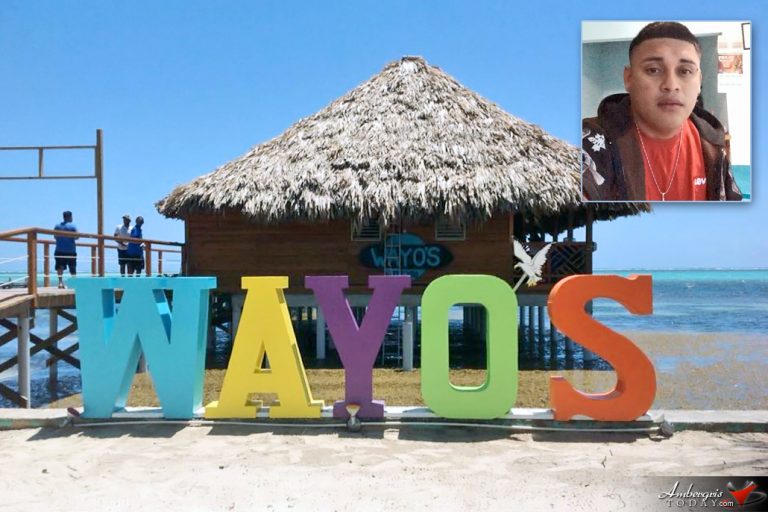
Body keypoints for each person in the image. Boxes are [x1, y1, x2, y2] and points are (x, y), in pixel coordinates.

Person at [582, 21, 742, 202]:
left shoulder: (713, 145)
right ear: (629, 78)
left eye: (685, 71)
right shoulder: (590, 143)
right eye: (653, 70)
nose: (671, 85)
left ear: (699, 81)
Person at [53, 211, 78, 289]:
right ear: (70, 217)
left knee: (59, 267)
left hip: (59, 249)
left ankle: (60, 283)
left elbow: (55, 237)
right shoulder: (73, 226)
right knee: (72, 267)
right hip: (71, 250)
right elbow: (77, 237)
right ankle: (74, 283)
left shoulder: (57, 226)